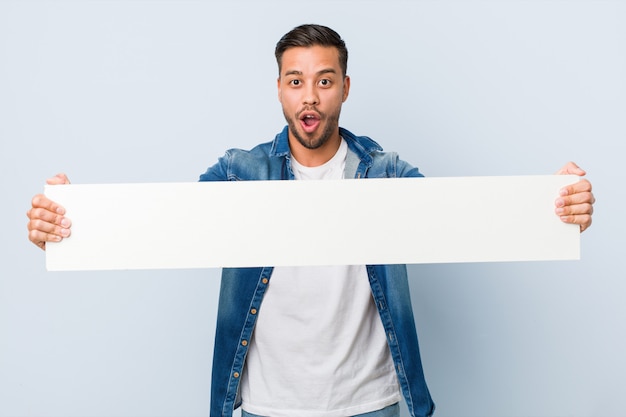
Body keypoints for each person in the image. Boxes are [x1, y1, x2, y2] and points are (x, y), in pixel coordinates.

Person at [27, 24, 595, 417]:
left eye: (325, 80)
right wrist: (73, 221)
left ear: (344, 89)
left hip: (371, 402)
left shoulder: (385, 171)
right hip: (267, 405)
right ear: (279, 89)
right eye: (296, 80)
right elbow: (162, 224)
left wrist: (553, 206)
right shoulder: (239, 172)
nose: (311, 96)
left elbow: (469, 221)